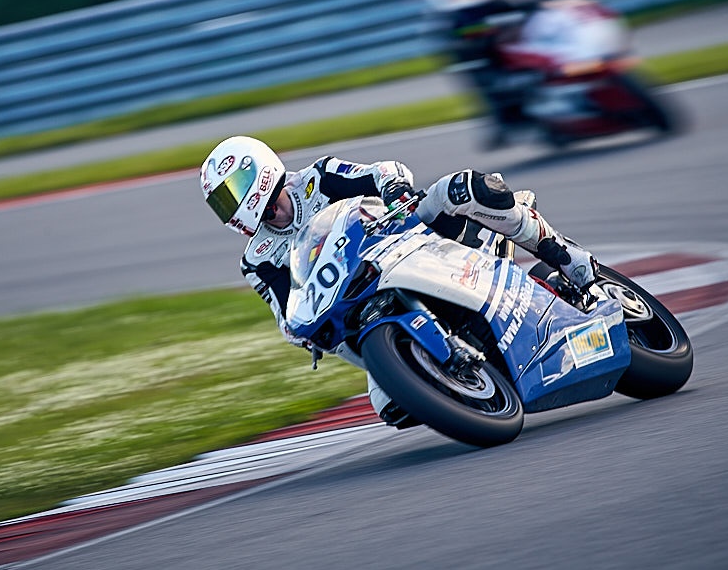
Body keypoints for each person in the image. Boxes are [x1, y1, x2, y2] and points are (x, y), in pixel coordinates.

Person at [199, 135, 599, 425]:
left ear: (259, 170)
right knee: (390, 406)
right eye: (221, 203)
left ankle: (568, 258)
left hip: (412, 243)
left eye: (231, 192)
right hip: (359, 304)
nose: (230, 207)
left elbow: (382, 171)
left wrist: (392, 187)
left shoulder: (317, 178)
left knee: (463, 190)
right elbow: (285, 314)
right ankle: (452, 368)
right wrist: (301, 334)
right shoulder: (256, 260)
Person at [423, 0, 546, 146]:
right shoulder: (446, 20)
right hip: (491, 60)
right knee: (485, 81)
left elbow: (541, 4)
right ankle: (506, 121)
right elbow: (446, 43)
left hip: (529, 47)